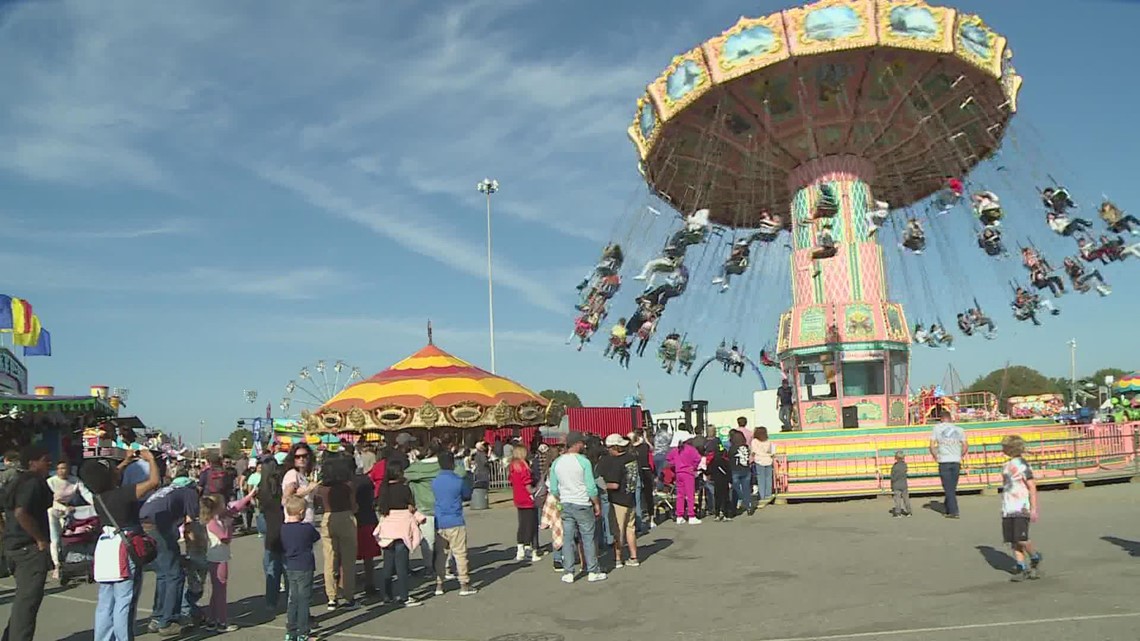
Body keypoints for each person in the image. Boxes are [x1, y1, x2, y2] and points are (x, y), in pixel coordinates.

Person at [83, 449, 159, 641]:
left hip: (105, 547)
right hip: (124, 547)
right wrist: (150, 460)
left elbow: (109, 476)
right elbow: (154, 482)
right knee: (124, 601)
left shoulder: (97, 496)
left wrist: (126, 461)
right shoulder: (124, 493)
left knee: (105, 601)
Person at [141, 461, 201, 636]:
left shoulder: (166, 490)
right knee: (175, 574)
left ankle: (157, 616)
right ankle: (169, 620)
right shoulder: (188, 491)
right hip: (159, 527)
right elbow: (192, 520)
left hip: (146, 524)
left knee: (163, 573)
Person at [549, 432, 605, 583]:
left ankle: (568, 571)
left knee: (568, 538)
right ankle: (592, 570)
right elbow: (591, 486)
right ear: (576, 444)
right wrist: (596, 503)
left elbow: (553, 488)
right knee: (588, 537)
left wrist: (561, 498)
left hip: (566, 503)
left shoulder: (557, 462)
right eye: (582, 443)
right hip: (582, 503)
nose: (584, 445)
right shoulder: (584, 461)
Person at [200, 489, 257, 631]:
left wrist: (250, 495)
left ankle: (213, 620)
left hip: (219, 557)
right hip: (218, 559)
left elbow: (236, 507)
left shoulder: (219, 517)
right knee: (221, 591)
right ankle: (222, 622)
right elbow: (225, 538)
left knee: (217, 590)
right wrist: (230, 525)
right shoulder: (213, 522)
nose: (226, 506)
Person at [374, 461, 423, 607]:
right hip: (402, 529)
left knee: (387, 565)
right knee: (401, 566)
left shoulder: (383, 490)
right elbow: (411, 506)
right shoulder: (404, 489)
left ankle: (387, 595)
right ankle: (404, 596)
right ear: (399, 473)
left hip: (388, 529)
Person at [315, 451, 358, 612]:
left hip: (328, 518)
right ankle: (348, 596)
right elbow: (354, 505)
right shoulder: (348, 486)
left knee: (329, 560)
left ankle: (331, 597)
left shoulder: (322, 488)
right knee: (348, 561)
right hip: (346, 517)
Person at [431, 451, 477, 597]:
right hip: (455, 519)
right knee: (460, 553)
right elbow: (467, 494)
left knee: (441, 554)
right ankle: (464, 583)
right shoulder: (458, 480)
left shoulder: (435, 481)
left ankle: (439, 583)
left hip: (440, 521)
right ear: (452, 463)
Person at [999, 436, 1042, 582]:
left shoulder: (1023, 465)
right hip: (1008, 507)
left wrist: (1034, 508)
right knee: (1013, 540)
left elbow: (1032, 486)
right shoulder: (1005, 466)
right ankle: (1021, 566)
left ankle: (1035, 556)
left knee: (1022, 538)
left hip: (1021, 507)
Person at [281, 495, 321, 641]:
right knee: (304, 600)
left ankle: (290, 631)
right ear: (301, 511)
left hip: (290, 565)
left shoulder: (283, 529)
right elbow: (316, 537)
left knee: (293, 599)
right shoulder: (306, 529)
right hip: (304, 565)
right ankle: (303, 632)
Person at [597, 434, 639, 568]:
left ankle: (618, 558)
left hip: (618, 501)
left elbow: (614, 485)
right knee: (630, 529)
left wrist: (602, 485)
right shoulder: (631, 458)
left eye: (609, 447)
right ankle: (634, 557)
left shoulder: (616, 462)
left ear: (614, 447)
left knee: (617, 531)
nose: (608, 450)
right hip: (630, 498)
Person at [257, 454, 286, 609]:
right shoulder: (281, 486)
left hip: (271, 531)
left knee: (272, 568)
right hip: (284, 526)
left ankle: (271, 601)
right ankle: (290, 598)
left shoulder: (262, 489)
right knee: (287, 567)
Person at [929, 406, 967, 519]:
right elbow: (965, 445)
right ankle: (947, 508)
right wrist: (960, 455)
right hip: (956, 460)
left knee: (948, 487)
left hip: (944, 460)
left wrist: (935, 455)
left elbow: (931, 444)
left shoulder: (937, 428)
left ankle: (954, 511)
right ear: (950, 419)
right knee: (951, 487)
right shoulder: (960, 430)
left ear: (941, 419)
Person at [353, 453, 380, 596]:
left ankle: (346, 585)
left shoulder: (346, 483)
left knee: (347, 556)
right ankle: (370, 583)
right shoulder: (366, 481)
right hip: (368, 518)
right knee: (368, 557)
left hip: (352, 520)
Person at [46, 460, 76, 580]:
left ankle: (66, 562)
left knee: (66, 537)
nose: (62, 471)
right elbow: (51, 500)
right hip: (53, 510)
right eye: (60, 468)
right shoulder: (51, 481)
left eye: (64, 468)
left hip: (68, 511)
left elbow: (85, 493)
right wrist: (64, 508)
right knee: (55, 539)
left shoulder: (74, 480)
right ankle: (57, 565)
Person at [507, 447, 538, 562]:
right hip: (527, 498)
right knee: (530, 525)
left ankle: (520, 549)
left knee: (522, 524)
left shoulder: (512, 467)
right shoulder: (523, 467)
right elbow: (528, 487)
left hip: (518, 497)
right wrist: (536, 489)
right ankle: (528, 548)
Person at [667, 430, 701, 525]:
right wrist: (693, 467)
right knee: (690, 495)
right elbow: (698, 459)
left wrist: (675, 464)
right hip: (688, 473)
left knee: (680, 495)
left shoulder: (675, 450)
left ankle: (679, 515)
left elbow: (669, 459)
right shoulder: (691, 449)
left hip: (678, 473)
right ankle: (691, 515)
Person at [282, 444, 317, 524]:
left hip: (307, 520)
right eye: (297, 457)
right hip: (297, 523)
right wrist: (308, 490)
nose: (301, 459)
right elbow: (285, 500)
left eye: (304, 456)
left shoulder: (304, 475)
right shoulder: (292, 474)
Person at [728, 430, 754, 517]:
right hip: (746, 470)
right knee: (746, 489)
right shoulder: (746, 447)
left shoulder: (733, 448)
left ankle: (735, 506)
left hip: (735, 470)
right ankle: (749, 506)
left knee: (736, 490)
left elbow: (729, 459)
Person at [750, 427, 777, 502]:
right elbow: (771, 450)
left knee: (761, 479)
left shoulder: (754, 441)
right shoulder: (768, 441)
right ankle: (768, 495)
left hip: (759, 461)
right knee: (768, 479)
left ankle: (762, 496)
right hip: (768, 460)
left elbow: (754, 451)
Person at [890, 451, 911, 518]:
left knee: (897, 499)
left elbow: (892, 477)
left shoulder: (895, 466)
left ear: (896, 457)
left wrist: (892, 485)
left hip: (896, 484)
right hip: (904, 484)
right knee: (906, 499)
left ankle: (898, 513)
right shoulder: (905, 465)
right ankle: (909, 512)